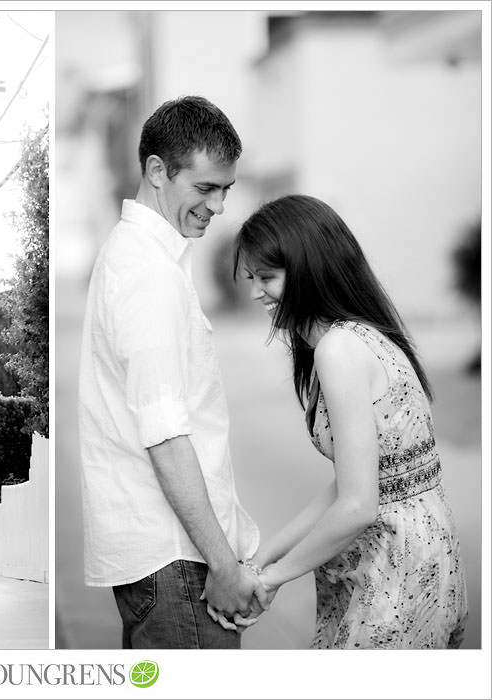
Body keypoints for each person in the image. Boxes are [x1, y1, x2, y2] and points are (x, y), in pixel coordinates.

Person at [231, 193, 468, 648]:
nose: (255, 291)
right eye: (251, 277)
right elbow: (352, 485)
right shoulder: (364, 336)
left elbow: (359, 505)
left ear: (307, 270)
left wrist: (271, 579)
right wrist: (264, 561)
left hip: (396, 572)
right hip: (421, 554)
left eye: (267, 277)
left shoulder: (338, 350)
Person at [77, 95, 265, 649]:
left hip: (166, 563)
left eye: (226, 189)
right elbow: (165, 436)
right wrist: (222, 564)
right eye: (205, 188)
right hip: (178, 563)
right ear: (157, 171)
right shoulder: (148, 275)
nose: (219, 205)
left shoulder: (137, 257)